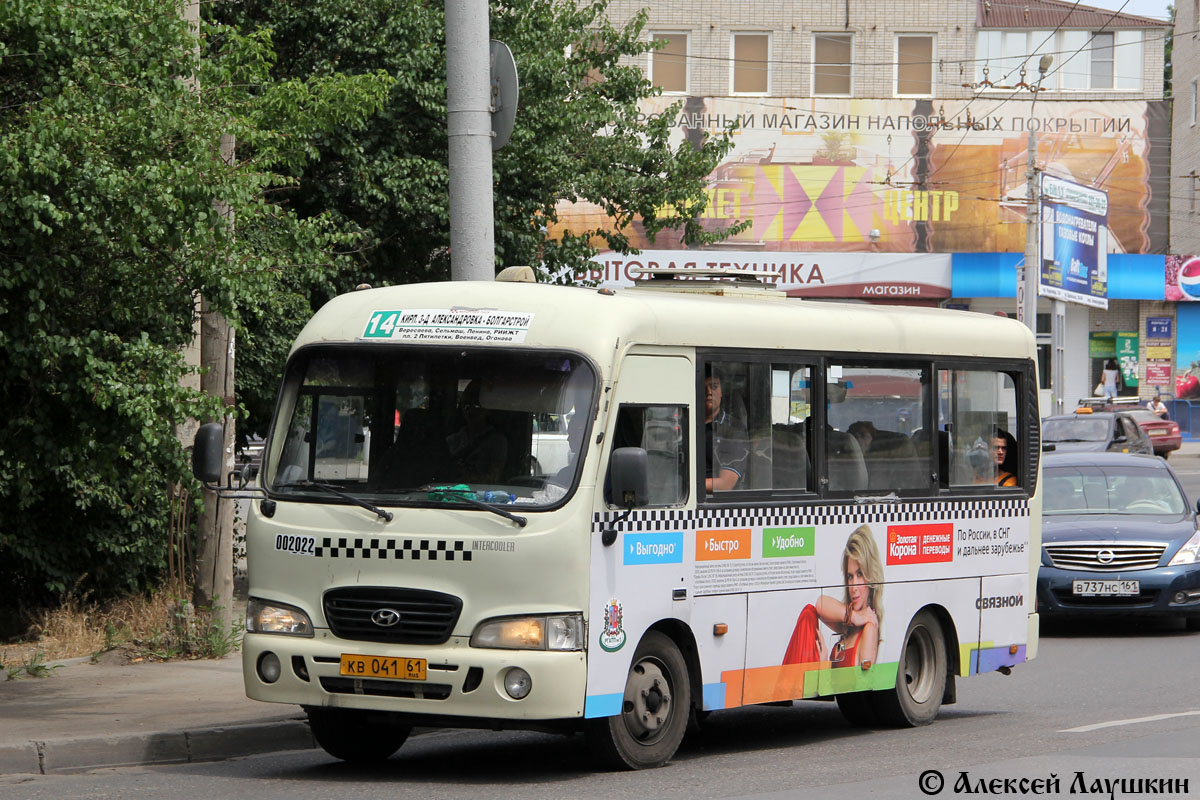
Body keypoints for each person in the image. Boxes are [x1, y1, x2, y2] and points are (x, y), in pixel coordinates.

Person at [782, 525, 882, 670]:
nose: (853, 587)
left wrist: (824, 668)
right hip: (826, 686)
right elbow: (820, 604)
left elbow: (863, 682)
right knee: (809, 613)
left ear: (871, 576)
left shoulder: (869, 627)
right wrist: (853, 617)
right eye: (850, 576)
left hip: (831, 689)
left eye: (860, 574)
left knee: (808, 614)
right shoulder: (849, 625)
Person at [445, 382, 508, 483]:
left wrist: (467, 475)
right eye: (466, 405)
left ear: (488, 409)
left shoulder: (498, 442)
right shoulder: (452, 440)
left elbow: (493, 478)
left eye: (477, 405)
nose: (471, 411)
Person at [704, 369, 748, 492]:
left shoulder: (733, 429)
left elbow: (726, 483)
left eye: (714, 386)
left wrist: (683, 486)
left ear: (721, 391)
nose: (709, 392)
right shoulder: (685, 423)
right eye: (702, 387)